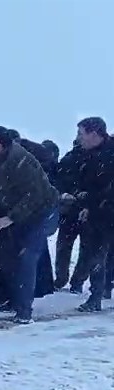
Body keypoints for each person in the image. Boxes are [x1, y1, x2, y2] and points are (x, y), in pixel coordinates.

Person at [0, 126, 60, 323]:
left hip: (41, 213)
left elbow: (34, 196)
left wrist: (9, 218)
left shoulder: (20, 161)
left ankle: (24, 311)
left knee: (26, 258)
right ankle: (15, 298)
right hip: (20, 214)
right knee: (10, 256)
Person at [70, 117, 114, 311]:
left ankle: (101, 292)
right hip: (98, 214)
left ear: (94, 134)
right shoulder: (87, 153)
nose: (79, 138)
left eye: (82, 134)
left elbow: (107, 188)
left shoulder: (109, 155)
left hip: (107, 211)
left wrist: (90, 199)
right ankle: (97, 295)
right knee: (95, 254)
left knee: (100, 254)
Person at [53, 138, 90, 292]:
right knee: (72, 248)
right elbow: (59, 180)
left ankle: (71, 280)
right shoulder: (70, 158)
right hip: (73, 210)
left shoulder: (97, 158)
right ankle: (70, 280)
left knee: (75, 248)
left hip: (84, 210)